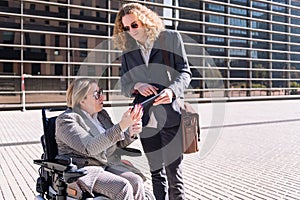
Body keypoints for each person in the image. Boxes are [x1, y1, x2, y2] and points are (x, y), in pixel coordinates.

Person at [113, 3, 191, 200]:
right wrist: (136, 85)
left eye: (134, 25)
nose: (131, 31)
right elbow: (123, 83)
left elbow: (185, 72)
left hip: (170, 116)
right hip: (144, 119)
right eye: (126, 28)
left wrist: (172, 91)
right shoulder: (128, 50)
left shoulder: (170, 38)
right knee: (157, 174)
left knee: (174, 176)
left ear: (145, 21)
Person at [55, 78, 145, 200]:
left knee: (136, 181)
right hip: (84, 169)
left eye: (101, 92)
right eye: (97, 94)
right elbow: (90, 148)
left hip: (106, 164)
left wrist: (130, 132)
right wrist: (121, 126)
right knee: (122, 187)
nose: (102, 97)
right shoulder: (66, 121)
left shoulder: (102, 116)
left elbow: (115, 144)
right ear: (82, 100)